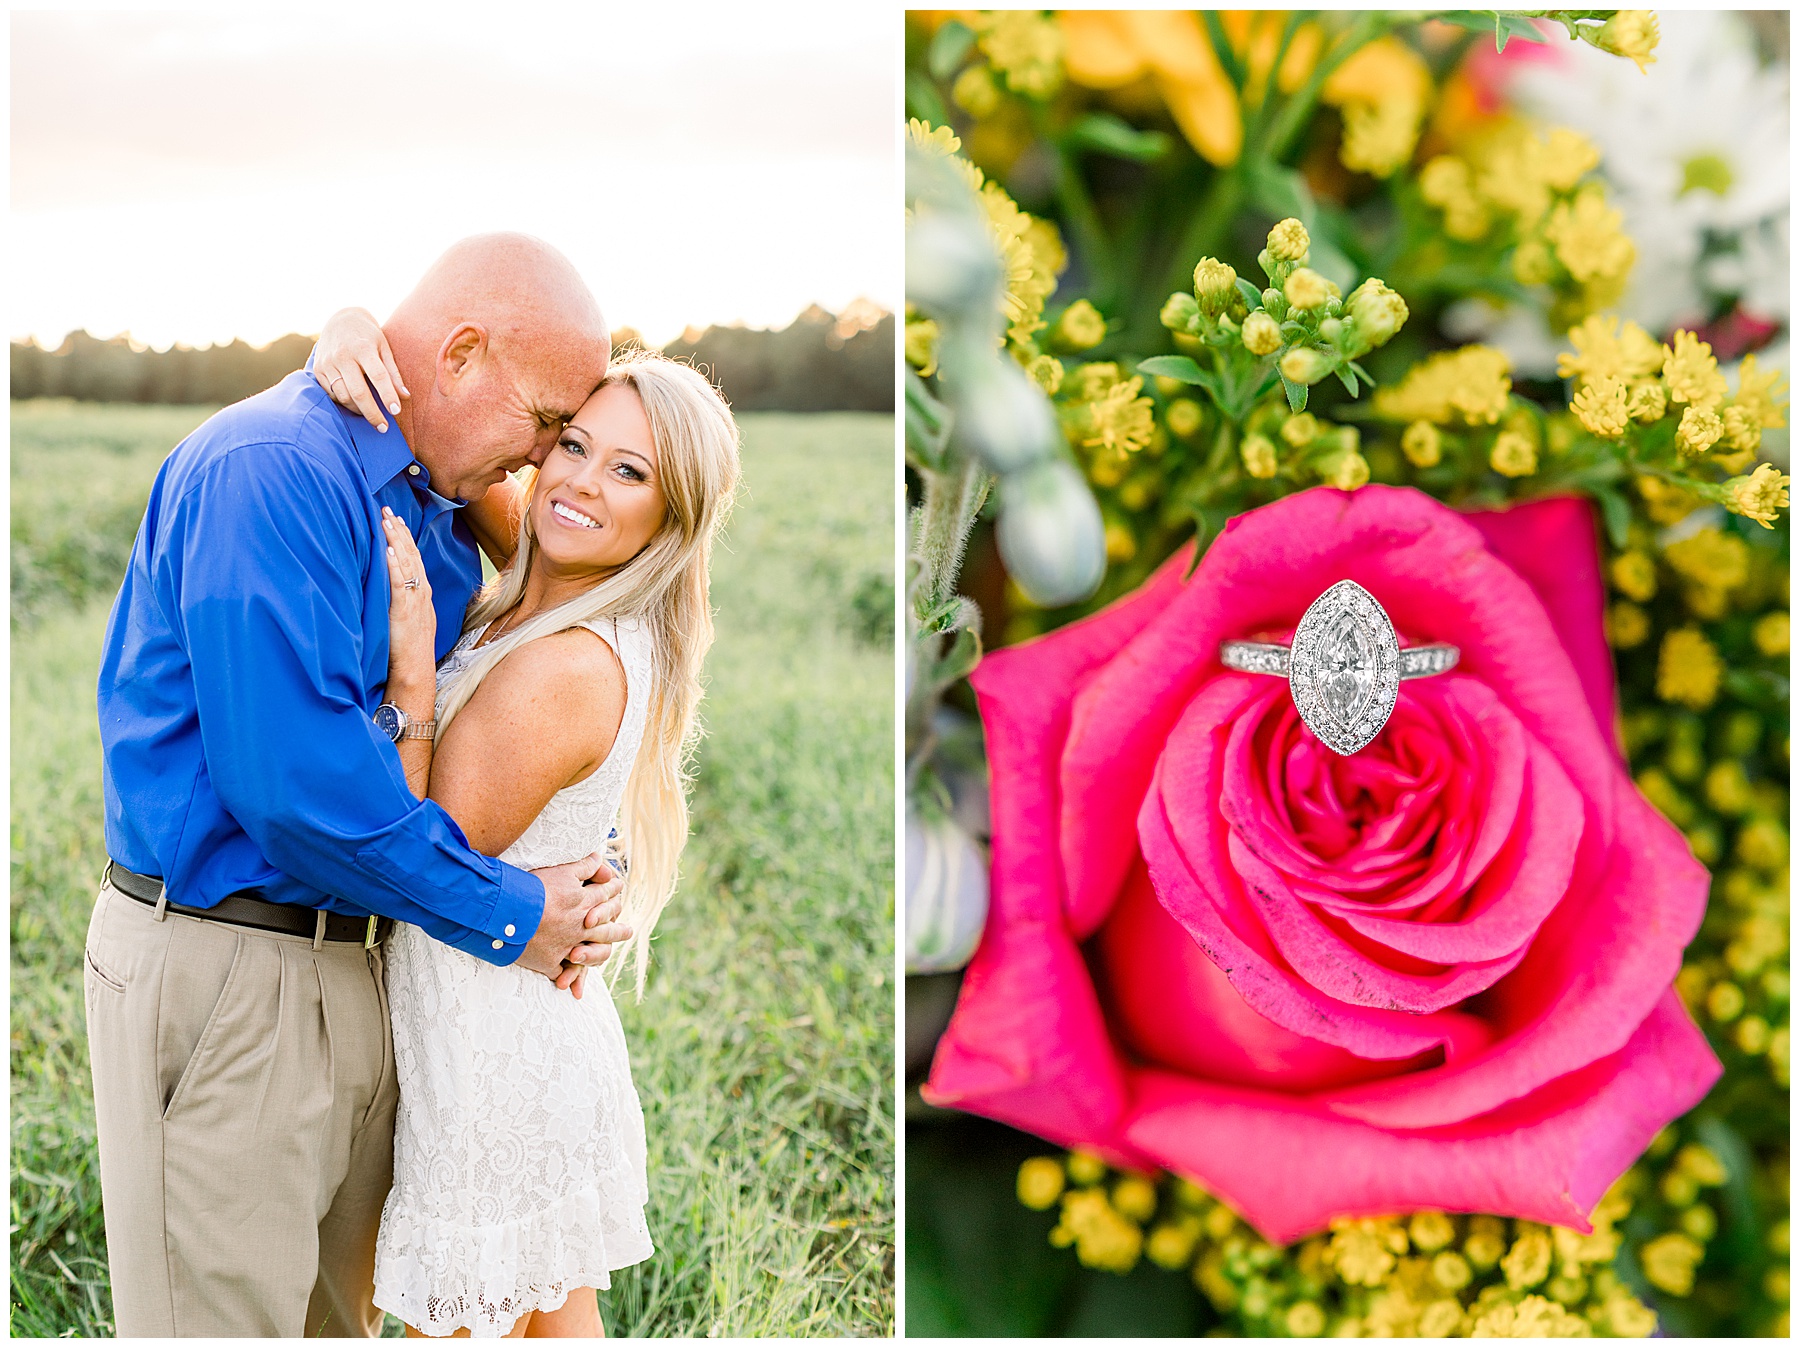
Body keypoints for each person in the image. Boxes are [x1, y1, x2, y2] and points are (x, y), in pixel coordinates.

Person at [86, 235, 633, 1338]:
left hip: (372, 971)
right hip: (229, 958)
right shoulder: (271, 472)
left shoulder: (435, 501)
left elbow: (614, 508)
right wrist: (516, 912)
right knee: (218, 1321)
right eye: (541, 427)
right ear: (464, 352)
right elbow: (295, 795)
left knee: (344, 1325)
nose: (541, 465)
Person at [314, 314, 741, 1335]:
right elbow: (460, 436)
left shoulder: (562, 665)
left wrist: (416, 672)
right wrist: (345, 335)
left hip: (491, 1051)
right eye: (576, 445)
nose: (582, 483)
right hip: (512, 1024)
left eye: (629, 473)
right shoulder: (549, 574)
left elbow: (417, 849)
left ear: (669, 519)